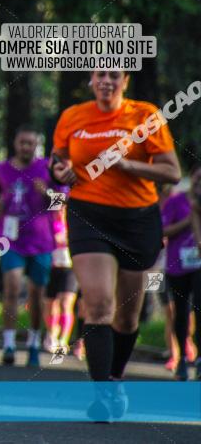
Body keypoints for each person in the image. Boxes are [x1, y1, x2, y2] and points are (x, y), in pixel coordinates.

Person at [51, 70, 180, 420]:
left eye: (114, 75)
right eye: (99, 75)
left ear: (125, 80)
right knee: (98, 304)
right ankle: (102, 395)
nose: (106, 81)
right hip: (88, 215)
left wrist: (126, 164)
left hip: (137, 219)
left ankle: (116, 377)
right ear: (91, 80)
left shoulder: (145, 115)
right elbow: (57, 160)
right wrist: (60, 172)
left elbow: (172, 172)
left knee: (126, 316)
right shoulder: (73, 116)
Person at [0, 125, 60, 367]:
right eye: (22, 143)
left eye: (31, 143)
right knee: (12, 288)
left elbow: (62, 199)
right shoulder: (2, 169)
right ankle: (8, 344)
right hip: (10, 240)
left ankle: (33, 343)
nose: (26, 147)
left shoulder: (46, 168)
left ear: (36, 145)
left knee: (37, 294)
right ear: (15, 144)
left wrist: (46, 192)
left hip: (41, 240)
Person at [161, 164, 201, 380]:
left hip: (198, 265)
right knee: (176, 311)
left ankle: (193, 355)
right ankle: (179, 357)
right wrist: (187, 221)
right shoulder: (175, 202)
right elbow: (162, 230)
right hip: (172, 266)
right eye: (196, 178)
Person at [43, 208, 78, 356]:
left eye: (63, 209)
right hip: (52, 267)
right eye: (58, 210)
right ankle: (51, 335)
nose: (60, 212)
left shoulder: (74, 225)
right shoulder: (49, 224)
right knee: (52, 304)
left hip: (70, 268)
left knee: (66, 303)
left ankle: (64, 339)